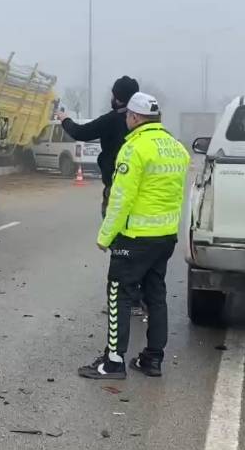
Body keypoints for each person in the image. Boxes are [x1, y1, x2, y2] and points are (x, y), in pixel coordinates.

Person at [78, 92, 190, 380]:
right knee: (156, 296)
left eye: (128, 115)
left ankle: (113, 362)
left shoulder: (134, 148)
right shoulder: (177, 148)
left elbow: (120, 197)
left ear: (135, 118)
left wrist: (106, 236)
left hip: (134, 237)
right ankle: (152, 358)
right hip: (165, 236)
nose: (126, 119)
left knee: (119, 295)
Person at [55, 76, 140, 215]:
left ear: (118, 98)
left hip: (117, 186)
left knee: (113, 231)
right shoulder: (145, 121)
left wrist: (64, 119)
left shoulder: (111, 120)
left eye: (113, 94)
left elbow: (80, 132)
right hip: (141, 187)